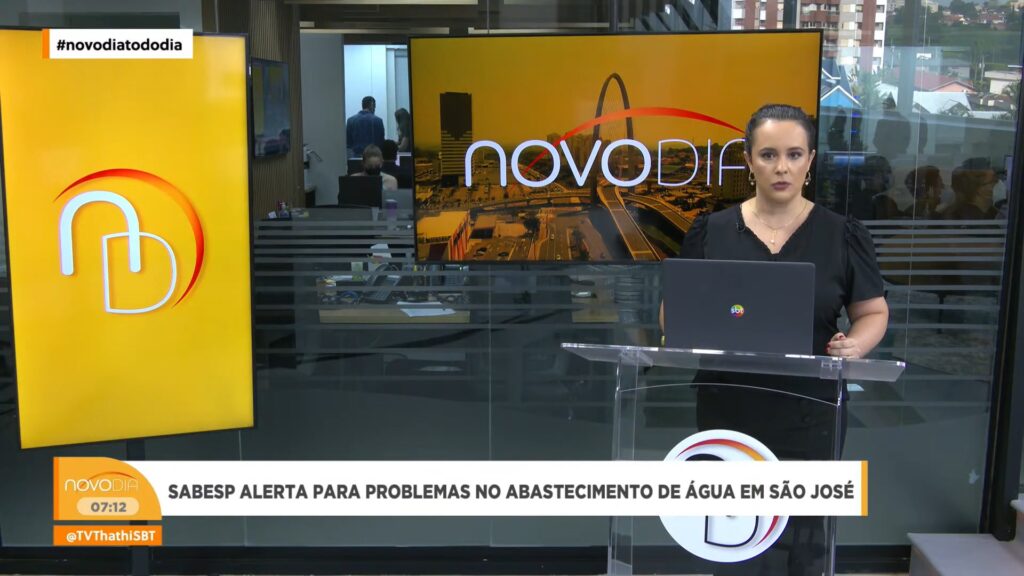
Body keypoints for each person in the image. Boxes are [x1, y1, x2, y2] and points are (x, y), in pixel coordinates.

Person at [660, 104, 889, 575]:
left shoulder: (842, 234)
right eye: (768, 155)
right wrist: (679, 328)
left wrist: (856, 345)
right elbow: (673, 311)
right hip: (728, 405)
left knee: (803, 538)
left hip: (811, 409)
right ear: (748, 160)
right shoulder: (710, 231)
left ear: (810, 161)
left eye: (793, 154)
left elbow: (872, 312)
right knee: (731, 529)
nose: (781, 167)